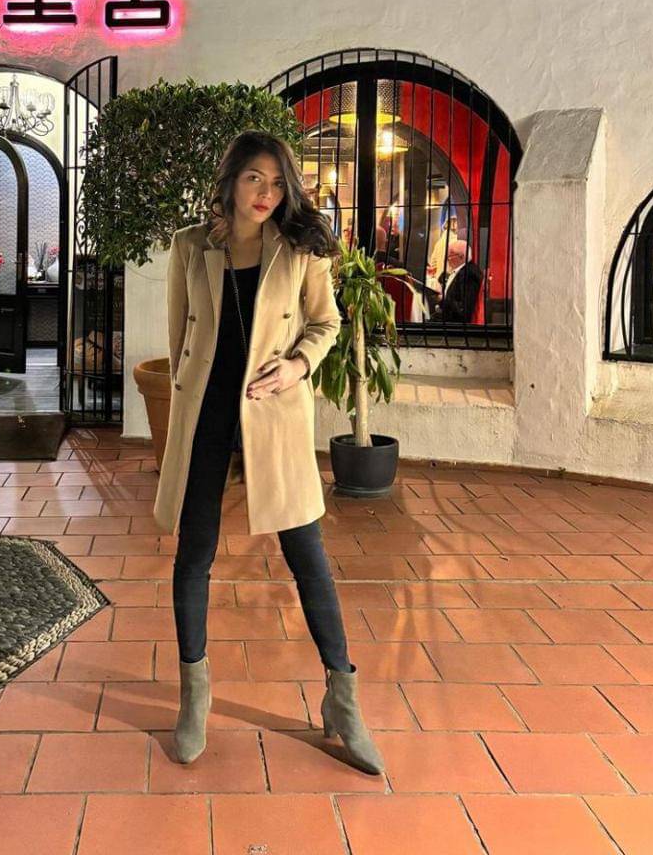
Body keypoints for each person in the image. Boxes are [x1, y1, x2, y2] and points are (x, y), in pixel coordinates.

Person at [155, 130, 384, 775]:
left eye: (278, 183)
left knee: (307, 555)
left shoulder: (301, 249)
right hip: (206, 418)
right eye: (255, 178)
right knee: (194, 554)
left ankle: (343, 699)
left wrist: (296, 367)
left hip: (273, 419)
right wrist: (184, 412)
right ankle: (195, 696)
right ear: (231, 178)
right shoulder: (191, 246)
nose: (266, 193)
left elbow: (327, 322)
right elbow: (178, 341)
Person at [433, 238, 483, 323]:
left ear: (461, 257)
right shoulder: (461, 271)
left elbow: (464, 310)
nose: (447, 259)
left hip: (454, 325)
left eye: (450, 256)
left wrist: (442, 299)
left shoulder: (468, 274)